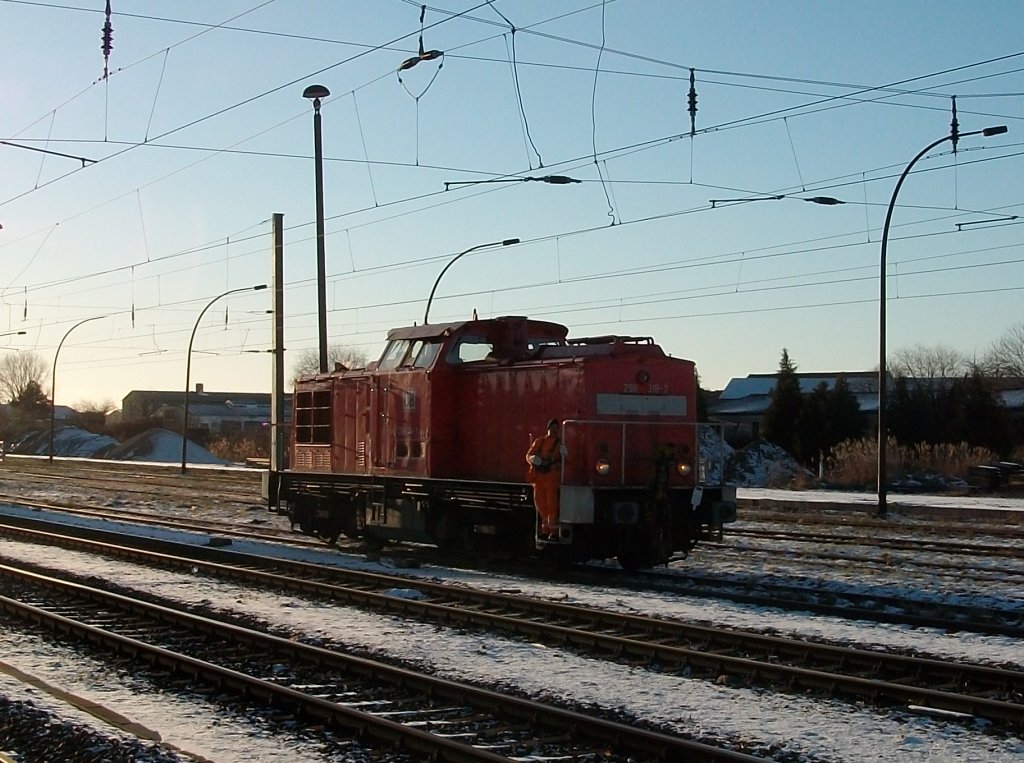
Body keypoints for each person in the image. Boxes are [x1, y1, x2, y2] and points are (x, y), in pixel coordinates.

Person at [526, 418, 563, 537]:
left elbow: (565, 461)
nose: (554, 430)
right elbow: (529, 454)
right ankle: (545, 529)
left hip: (552, 478)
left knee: (552, 504)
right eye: (552, 428)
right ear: (547, 429)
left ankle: (553, 530)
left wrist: (565, 456)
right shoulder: (539, 441)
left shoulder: (560, 444)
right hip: (539, 479)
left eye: (556, 429)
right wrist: (533, 460)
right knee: (540, 503)